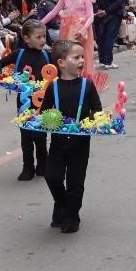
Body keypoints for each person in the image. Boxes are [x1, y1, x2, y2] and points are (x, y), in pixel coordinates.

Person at [41, 40, 102, 234]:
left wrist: (92, 121)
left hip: (80, 143)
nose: (82, 60)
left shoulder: (87, 85)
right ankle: (61, 204)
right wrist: (46, 120)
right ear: (61, 63)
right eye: (76, 57)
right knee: (52, 176)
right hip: (58, 142)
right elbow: (44, 112)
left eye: (82, 57)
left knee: (76, 182)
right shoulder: (53, 87)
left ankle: (71, 217)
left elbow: (97, 109)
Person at [0, 20, 50, 181]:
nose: (43, 40)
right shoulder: (19, 54)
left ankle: (43, 165)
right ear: (26, 38)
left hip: (43, 102)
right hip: (24, 102)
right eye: (38, 37)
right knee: (26, 135)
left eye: (44, 36)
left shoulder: (47, 55)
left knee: (40, 135)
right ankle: (28, 167)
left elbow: (59, 70)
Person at [39, 0, 96, 76]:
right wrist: (40, 23)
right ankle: (69, 75)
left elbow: (91, 16)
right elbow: (53, 12)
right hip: (67, 30)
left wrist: (84, 29)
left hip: (83, 30)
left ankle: (82, 78)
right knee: (68, 53)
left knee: (82, 55)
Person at [94, 0, 126, 70]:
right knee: (110, 37)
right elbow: (119, 1)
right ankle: (108, 61)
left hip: (100, 13)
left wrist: (99, 9)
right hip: (113, 14)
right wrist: (107, 11)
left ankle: (103, 60)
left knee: (101, 37)